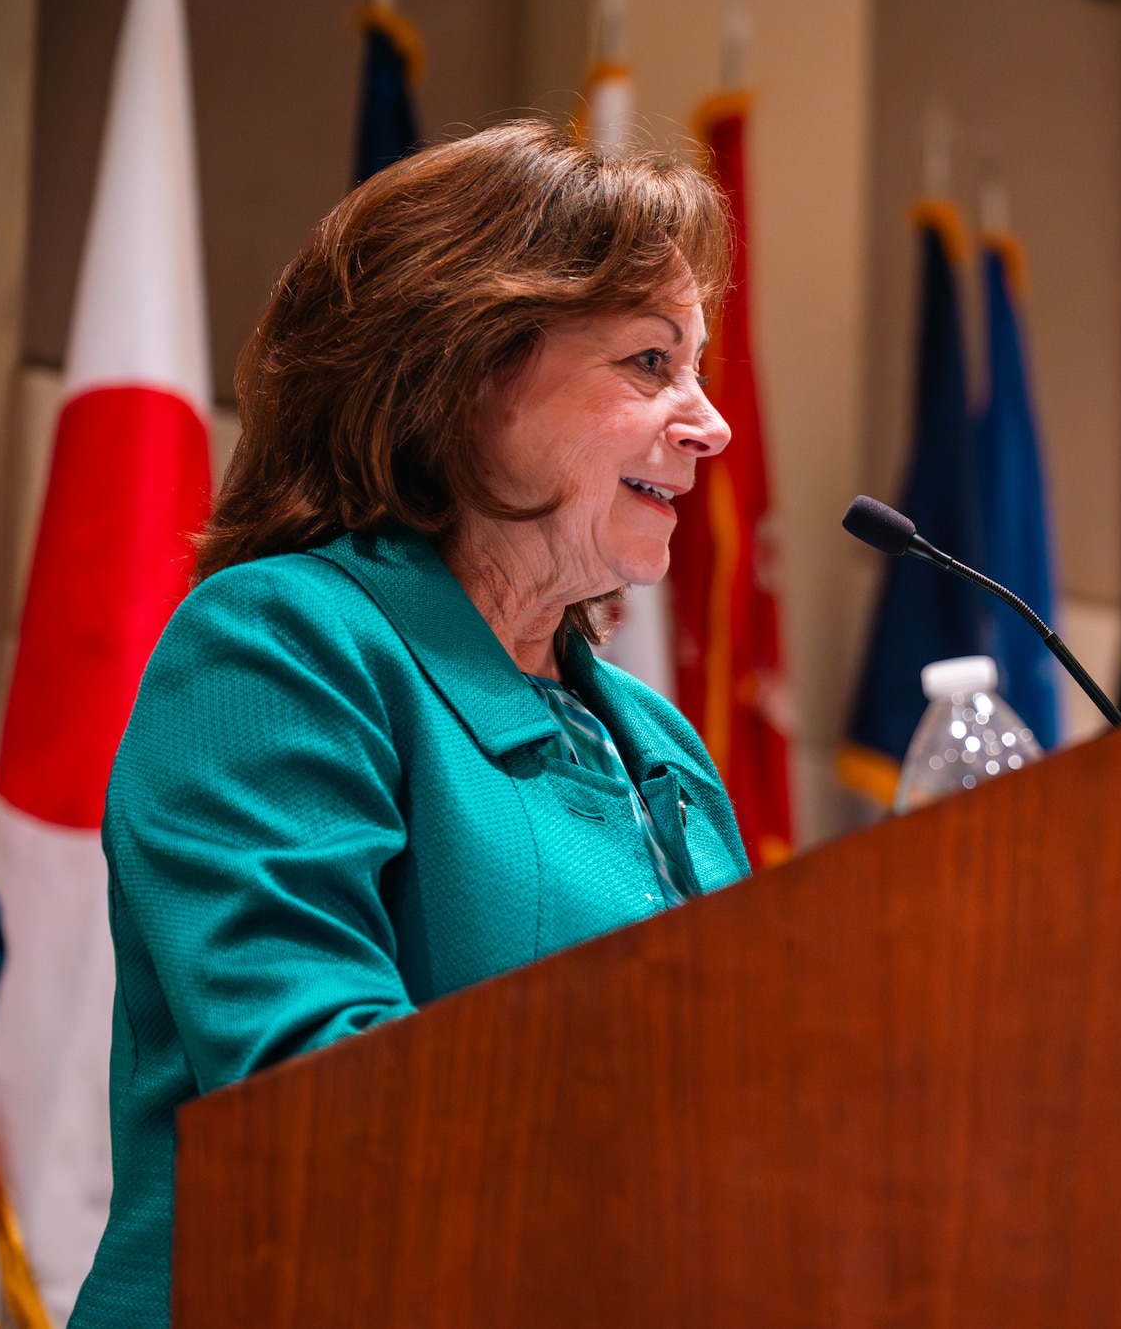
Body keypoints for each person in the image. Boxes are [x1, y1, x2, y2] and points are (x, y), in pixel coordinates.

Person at [68, 120, 748, 1327]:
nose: (710, 424)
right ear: (467, 371)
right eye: (651, 363)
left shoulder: (662, 745)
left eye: (698, 367)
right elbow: (325, 1100)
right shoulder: (280, 648)